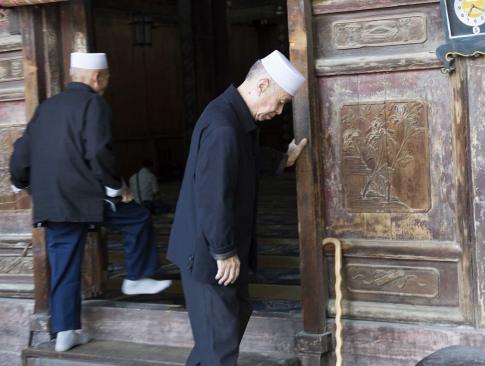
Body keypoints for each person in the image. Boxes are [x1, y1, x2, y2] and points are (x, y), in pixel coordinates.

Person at [9, 52, 172, 353]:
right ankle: (136, 276)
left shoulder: (47, 107)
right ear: (97, 77)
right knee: (137, 218)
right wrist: (114, 188)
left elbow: (22, 151)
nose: (107, 83)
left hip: (53, 203)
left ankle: (65, 332)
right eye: (107, 77)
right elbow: (99, 150)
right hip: (85, 199)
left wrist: (18, 181)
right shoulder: (93, 103)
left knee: (64, 266)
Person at [167, 50, 307, 366]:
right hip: (209, 257)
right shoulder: (223, 127)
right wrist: (223, 250)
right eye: (281, 101)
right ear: (262, 85)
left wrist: (282, 159)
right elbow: (212, 195)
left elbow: (245, 156)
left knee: (219, 338)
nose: (280, 110)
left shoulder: (230, 115)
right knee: (220, 350)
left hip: (211, 251)